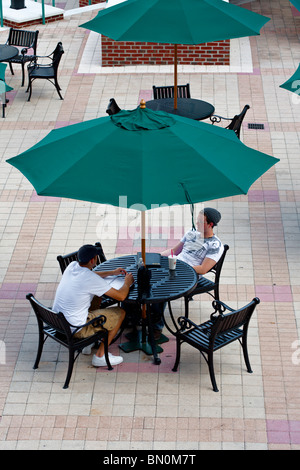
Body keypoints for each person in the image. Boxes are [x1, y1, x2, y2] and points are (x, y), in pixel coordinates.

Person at [53, 244, 134, 367]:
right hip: (76, 329)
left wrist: (112, 272)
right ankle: (100, 356)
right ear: (93, 260)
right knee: (121, 313)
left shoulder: (72, 266)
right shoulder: (89, 278)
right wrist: (127, 283)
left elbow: (93, 275)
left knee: (97, 295)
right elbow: (121, 296)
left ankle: (87, 345)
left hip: (59, 322)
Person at [152, 207, 224, 338]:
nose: (197, 224)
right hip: (174, 267)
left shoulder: (215, 245)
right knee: (145, 275)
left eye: (200, 222)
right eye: (197, 220)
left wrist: (177, 266)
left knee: (159, 289)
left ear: (210, 225)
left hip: (190, 276)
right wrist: (156, 257)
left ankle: (156, 326)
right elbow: (175, 251)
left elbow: (203, 269)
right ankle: (134, 315)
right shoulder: (191, 233)